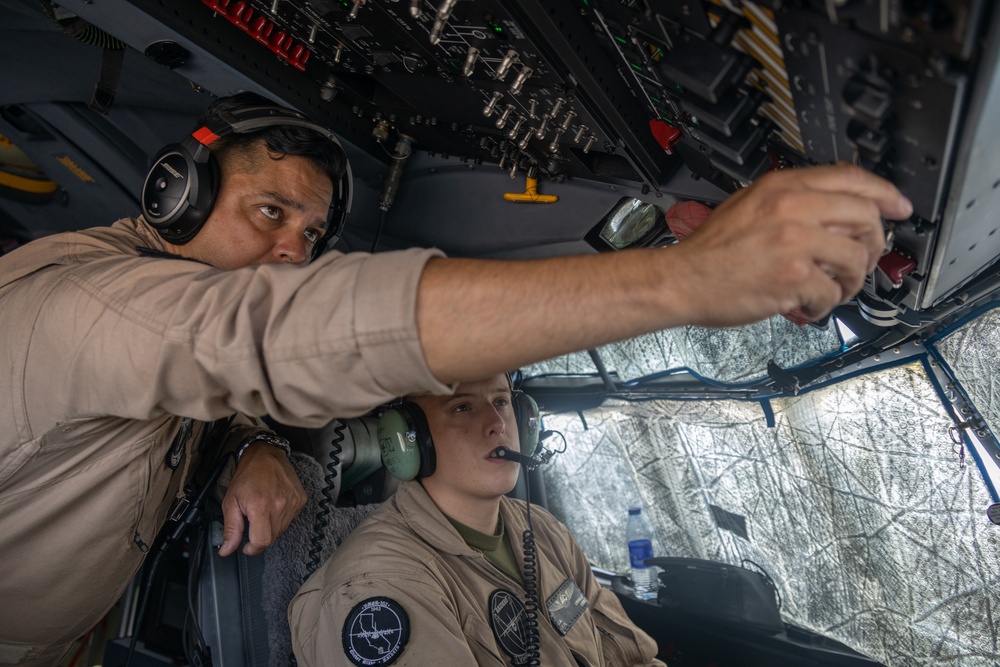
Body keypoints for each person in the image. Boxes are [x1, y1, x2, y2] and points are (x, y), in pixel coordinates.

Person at [0, 90, 911, 666]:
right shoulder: (79, 303)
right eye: (269, 212)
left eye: (310, 238)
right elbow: (265, 335)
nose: (292, 254)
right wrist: (682, 279)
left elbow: (210, 377)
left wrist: (253, 443)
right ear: (175, 197)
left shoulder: (541, 537)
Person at [289, 373, 667, 666]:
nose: (497, 423)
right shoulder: (381, 581)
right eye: (462, 408)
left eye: (501, 401)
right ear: (409, 440)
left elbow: (632, 655)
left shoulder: (544, 530)